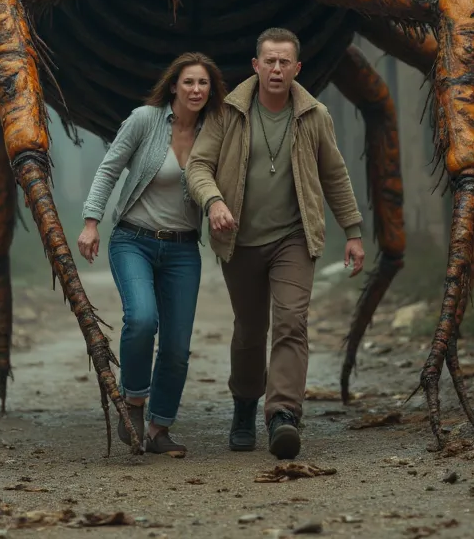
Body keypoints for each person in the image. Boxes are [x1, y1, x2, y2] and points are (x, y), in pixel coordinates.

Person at [185, 27, 364, 460]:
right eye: (270, 60)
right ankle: (245, 405)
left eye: (285, 62)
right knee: (249, 330)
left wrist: (354, 232)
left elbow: (334, 175)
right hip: (239, 239)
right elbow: (198, 166)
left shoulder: (314, 115)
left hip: (294, 238)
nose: (277, 68)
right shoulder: (227, 112)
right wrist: (213, 203)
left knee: (291, 323)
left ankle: (283, 414)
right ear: (256, 65)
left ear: (296, 68)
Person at [78, 53, 227, 457]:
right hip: (133, 240)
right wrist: (91, 222)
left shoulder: (213, 132)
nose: (196, 90)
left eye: (203, 84)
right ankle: (134, 404)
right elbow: (110, 167)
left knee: (177, 347)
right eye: (189, 83)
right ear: (174, 86)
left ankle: (160, 430)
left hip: (182, 249)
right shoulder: (144, 119)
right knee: (142, 319)